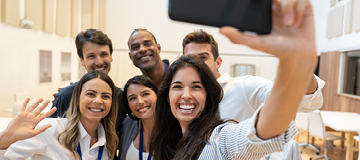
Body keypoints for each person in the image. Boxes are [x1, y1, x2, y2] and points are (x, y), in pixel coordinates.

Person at [149, 0, 318, 159]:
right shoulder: (165, 142)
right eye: (178, 86)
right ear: (167, 96)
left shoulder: (219, 139)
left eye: (196, 87)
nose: (186, 94)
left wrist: (296, 63)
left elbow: (261, 131)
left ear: (209, 97)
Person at [182, 30, 325, 122]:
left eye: (203, 58)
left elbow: (302, 101)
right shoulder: (182, 98)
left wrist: (300, 58)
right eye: (190, 59)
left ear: (218, 62)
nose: (196, 64)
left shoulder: (244, 88)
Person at [0, 70, 119, 159]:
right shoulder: (50, 129)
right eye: (91, 94)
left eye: (105, 96)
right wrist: (5, 139)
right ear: (77, 99)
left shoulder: (108, 141)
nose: (98, 101)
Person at [49, 29, 126, 139]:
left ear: (111, 57)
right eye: (91, 56)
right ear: (82, 60)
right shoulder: (66, 96)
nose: (99, 62)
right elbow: (50, 139)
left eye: (104, 54)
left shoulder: (120, 97)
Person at [117, 75, 158, 160]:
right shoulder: (127, 123)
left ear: (157, 95)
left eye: (145, 94)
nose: (140, 102)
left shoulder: (173, 126)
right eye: (132, 98)